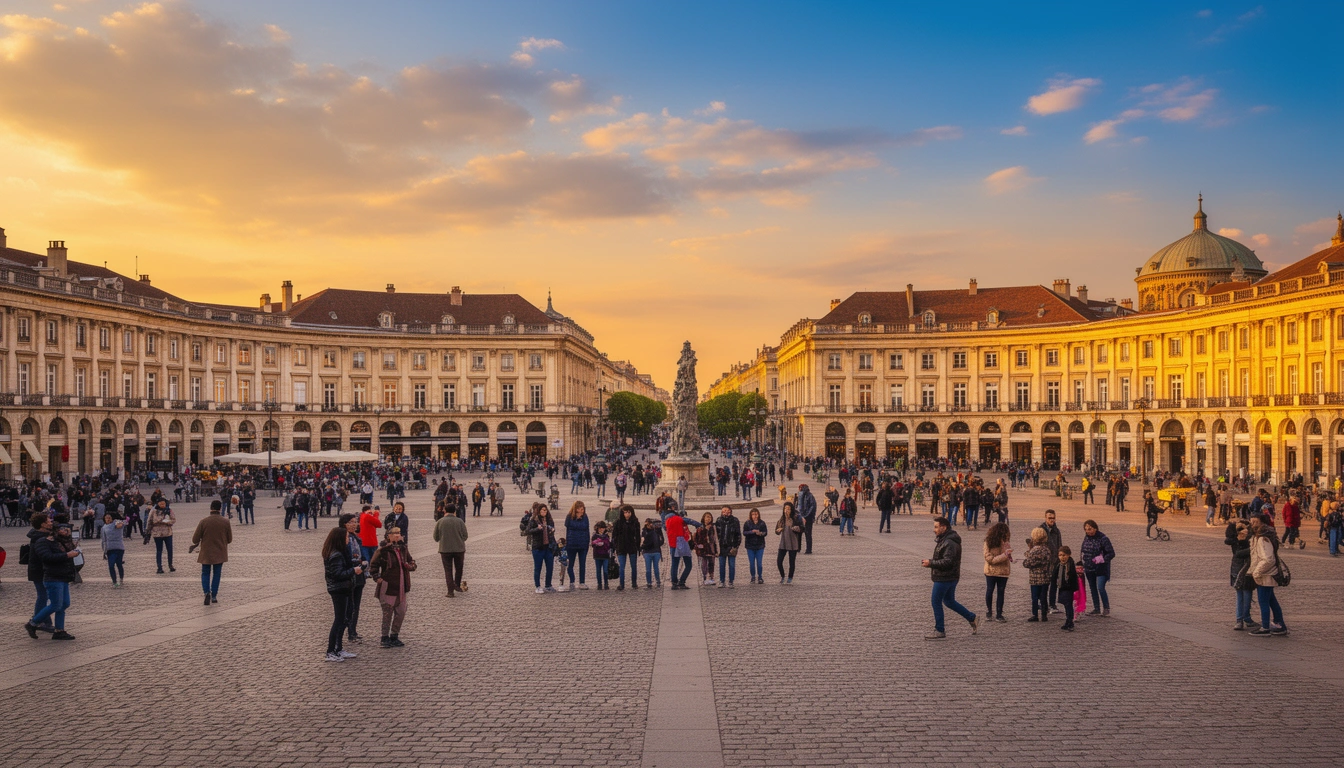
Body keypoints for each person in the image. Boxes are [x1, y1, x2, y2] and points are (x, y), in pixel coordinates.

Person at [920, 516, 979, 639]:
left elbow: (948, 562)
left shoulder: (949, 542)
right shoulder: (945, 539)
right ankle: (971, 617)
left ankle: (939, 630)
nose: (934, 530)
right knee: (949, 601)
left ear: (944, 527)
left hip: (945, 577)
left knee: (936, 601)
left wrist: (931, 563)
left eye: (936, 527)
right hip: (950, 576)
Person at [370, 527, 416, 648]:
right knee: (387, 613)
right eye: (395, 533)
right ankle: (384, 637)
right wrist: (377, 577)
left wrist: (410, 566)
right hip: (388, 586)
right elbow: (373, 565)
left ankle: (394, 635)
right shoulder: (383, 551)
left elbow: (411, 562)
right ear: (388, 536)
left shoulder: (403, 549)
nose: (397, 535)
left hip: (402, 586)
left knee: (401, 612)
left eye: (399, 533)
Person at [322, 525, 360, 662]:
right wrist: (353, 571)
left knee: (344, 619)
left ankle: (338, 648)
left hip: (344, 588)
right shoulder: (336, 555)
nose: (348, 539)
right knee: (339, 620)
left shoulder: (340, 552)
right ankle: (331, 651)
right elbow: (337, 574)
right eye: (346, 537)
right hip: (338, 590)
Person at [1247, 518, 1288, 636]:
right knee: (1271, 600)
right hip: (1265, 573)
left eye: (1255, 521)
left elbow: (1268, 559)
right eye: (1251, 521)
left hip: (1266, 574)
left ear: (1262, 523)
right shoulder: (1257, 537)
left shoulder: (1262, 539)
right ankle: (1280, 625)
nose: (1252, 523)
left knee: (1263, 601)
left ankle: (1265, 627)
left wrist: (1257, 572)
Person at [191, 499, 233, 605]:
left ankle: (206, 592)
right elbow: (229, 539)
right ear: (220, 508)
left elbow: (195, 539)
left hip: (206, 552)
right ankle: (214, 595)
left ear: (211, 508)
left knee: (205, 572)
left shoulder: (204, 521)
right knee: (217, 574)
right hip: (220, 552)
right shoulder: (225, 522)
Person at [1079, 520, 1115, 617]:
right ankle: (1096, 608)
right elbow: (1082, 551)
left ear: (1095, 528)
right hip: (1089, 568)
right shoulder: (1086, 538)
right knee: (1093, 588)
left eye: (1090, 529)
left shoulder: (1103, 539)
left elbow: (1111, 553)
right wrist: (1081, 562)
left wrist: (1102, 559)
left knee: (1100, 587)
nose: (1088, 531)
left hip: (1101, 568)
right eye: (1086, 529)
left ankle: (1106, 607)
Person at [1226, 518, 1255, 630]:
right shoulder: (1235, 539)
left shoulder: (1251, 537)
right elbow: (1237, 552)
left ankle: (1245, 617)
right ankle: (1240, 619)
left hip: (1248, 568)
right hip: (1238, 567)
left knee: (1247, 593)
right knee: (1241, 593)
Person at [433, 504, 468, 597]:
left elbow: (435, 537)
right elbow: (465, 536)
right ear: (454, 511)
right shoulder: (460, 521)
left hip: (445, 550)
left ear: (445, 511)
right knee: (459, 569)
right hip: (459, 549)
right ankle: (457, 585)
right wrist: (459, 540)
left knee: (448, 570)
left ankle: (450, 591)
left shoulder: (440, 522)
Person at [982, 522, 1011, 622]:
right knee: (990, 590)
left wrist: (1009, 555)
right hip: (992, 571)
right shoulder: (989, 542)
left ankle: (999, 613)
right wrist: (1004, 556)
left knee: (1000, 592)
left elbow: (1007, 555)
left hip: (1003, 571)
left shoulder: (1005, 542)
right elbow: (989, 559)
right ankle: (989, 611)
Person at [1022, 527, 1052, 622]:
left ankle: (1035, 614)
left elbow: (1028, 563)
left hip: (1035, 578)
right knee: (1043, 596)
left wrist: (1025, 561)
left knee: (1035, 597)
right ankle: (1044, 614)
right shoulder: (1047, 549)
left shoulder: (1034, 550)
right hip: (1045, 576)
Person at [525, 505, 557, 593]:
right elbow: (528, 531)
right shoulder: (534, 520)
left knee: (550, 567)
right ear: (539, 511)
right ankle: (538, 586)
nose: (544, 512)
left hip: (548, 547)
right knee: (538, 568)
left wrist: (552, 530)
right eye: (543, 510)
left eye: (545, 510)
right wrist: (537, 529)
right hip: (538, 547)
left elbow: (552, 529)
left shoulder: (549, 520)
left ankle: (548, 585)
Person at [612, 504, 641, 590]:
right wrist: (615, 546)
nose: (627, 514)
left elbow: (638, 536)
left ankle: (634, 583)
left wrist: (638, 547)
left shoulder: (635, 522)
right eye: (625, 512)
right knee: (622, 567)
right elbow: (614, 535)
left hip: (632, 546)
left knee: (633, 566)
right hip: (621, 546)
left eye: (629, 512)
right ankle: (621, 584)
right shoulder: (618, 522)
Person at [774, 501, 805, 584]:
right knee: (779, 561)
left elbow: (802, 528)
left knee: (792, 562)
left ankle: (790, 577)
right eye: (785, 508)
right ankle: (782, 576)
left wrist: (797, 528)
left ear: (791, 510)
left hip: (793, 543)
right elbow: (776, 531)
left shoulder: (796, 518)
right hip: (783, 543)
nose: (786, 510)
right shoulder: (782, 519)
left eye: (788, 509)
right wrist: (778, 530)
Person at [564, 501, 591, 591]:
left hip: (583, 544)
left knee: (582, 564)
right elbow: (568, 528)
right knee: (570, 564)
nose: (582, 510)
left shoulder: (585, 517)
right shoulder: (569, 517)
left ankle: (582, 582)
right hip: (572, 544)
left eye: (583, 509)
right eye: (580, 508)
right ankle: (572, 581)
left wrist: (587, 542)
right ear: (575, 509)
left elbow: (587, 529)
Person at [1039, 510, 1062, 613]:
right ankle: (1043, 604)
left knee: (1054, 584)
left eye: (1053, 518)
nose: (1052, 520)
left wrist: (1060, 558)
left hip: (1055, 561)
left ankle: (1052, 604)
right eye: (1049, 518)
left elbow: (1059, 545)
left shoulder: (1057, 531)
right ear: (1045, 518)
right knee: (1044, 585)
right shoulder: (1040, 530)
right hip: (1044, 562)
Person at [714, 505, 742, 588]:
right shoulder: (719, 520)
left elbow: (738, 534)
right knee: (721, 565)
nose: (725, 512)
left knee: (732, 565)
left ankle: (731, 581)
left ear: (730, 511)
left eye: (726, 510)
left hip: (731, 546)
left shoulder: (735, 520)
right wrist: (716, 547)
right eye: (723, 511)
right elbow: (716, 534)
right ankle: (722, 581)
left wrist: (736, 546)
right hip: (722, 546)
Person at [1053, 545, 1078, 631]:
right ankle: (1068, 620)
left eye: (1064, 555)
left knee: (1068, 604)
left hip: (1068, 588)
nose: (1062, 557)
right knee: (1065, 604)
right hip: (1062, 587)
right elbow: (1055, 576)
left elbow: (1073, 578)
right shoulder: (1059, 565)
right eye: (1060, 555)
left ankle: (1070, 621)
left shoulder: (1070, 565)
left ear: (1068, 555)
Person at [148, 500, 176, 574]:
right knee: (159, 550)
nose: (162, 505)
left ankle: (170, 565)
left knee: (169, 549)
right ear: (158, 504)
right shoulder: (153, 511)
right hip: (157, 533)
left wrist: (167, 522)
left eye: (164, 504)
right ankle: (159, 567)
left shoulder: (169, 510)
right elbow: (149, 521)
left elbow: (173, 520)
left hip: (167, 533)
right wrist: (148, 532)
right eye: (161, 504)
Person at [692, 511, 719, 586]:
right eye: (706, 517)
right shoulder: (700, 527)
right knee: (704, 564)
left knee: (711, 564)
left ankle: (711, 578)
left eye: (709, 517)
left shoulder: (713, 527)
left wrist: (717, 550)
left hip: (711, 548)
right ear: (703, 518)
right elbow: (696, 539)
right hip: (702, 549)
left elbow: (715, 539)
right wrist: (696, 547)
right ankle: (704, 578)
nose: (708, 519)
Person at [100, 512, 126, 587]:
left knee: (119, 564)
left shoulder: (116, 523)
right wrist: (104, 551)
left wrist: (120, 524)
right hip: (110, 548)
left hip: (119, 547)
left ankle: (121, 578)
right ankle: (114, 581)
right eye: (106, 518)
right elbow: (103, 540)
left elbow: (123, 523)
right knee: (111, 565)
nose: (108, 519)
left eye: (109, 518)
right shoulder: (104, 528)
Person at [640, 516, 664, 589]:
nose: (650, 525)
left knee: (656, 568)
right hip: (647, 552)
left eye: (651, 524)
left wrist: (657, 544)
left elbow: (662, 540)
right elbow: (642, 541)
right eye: (648, 524)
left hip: (656, 552)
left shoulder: (657, 530)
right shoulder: (644, 531)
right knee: (648, 569)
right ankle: (649, 582)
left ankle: (658, 581)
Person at [796, 484, 817, 554]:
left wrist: (806, 515)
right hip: (800, 517)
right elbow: (797, 506)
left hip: (808, 518)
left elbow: (812, 507)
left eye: (800, 488)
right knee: (798, 533)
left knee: (808, 534)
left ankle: (808, 549)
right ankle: (798, 548)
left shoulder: (809, 496)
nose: (799, 489)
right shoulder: (799, 495)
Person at [592, 521, 612, 590]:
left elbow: (609, 545)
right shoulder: (594, 536)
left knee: (605, 570)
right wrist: (597, 544)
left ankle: (606, 583)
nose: (601, 530)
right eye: (600, 528)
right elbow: (592, 544)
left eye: (603, 528)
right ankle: (599, 584)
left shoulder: (606, 536)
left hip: (605, 555)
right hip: (597, 555)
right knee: (598, 570)